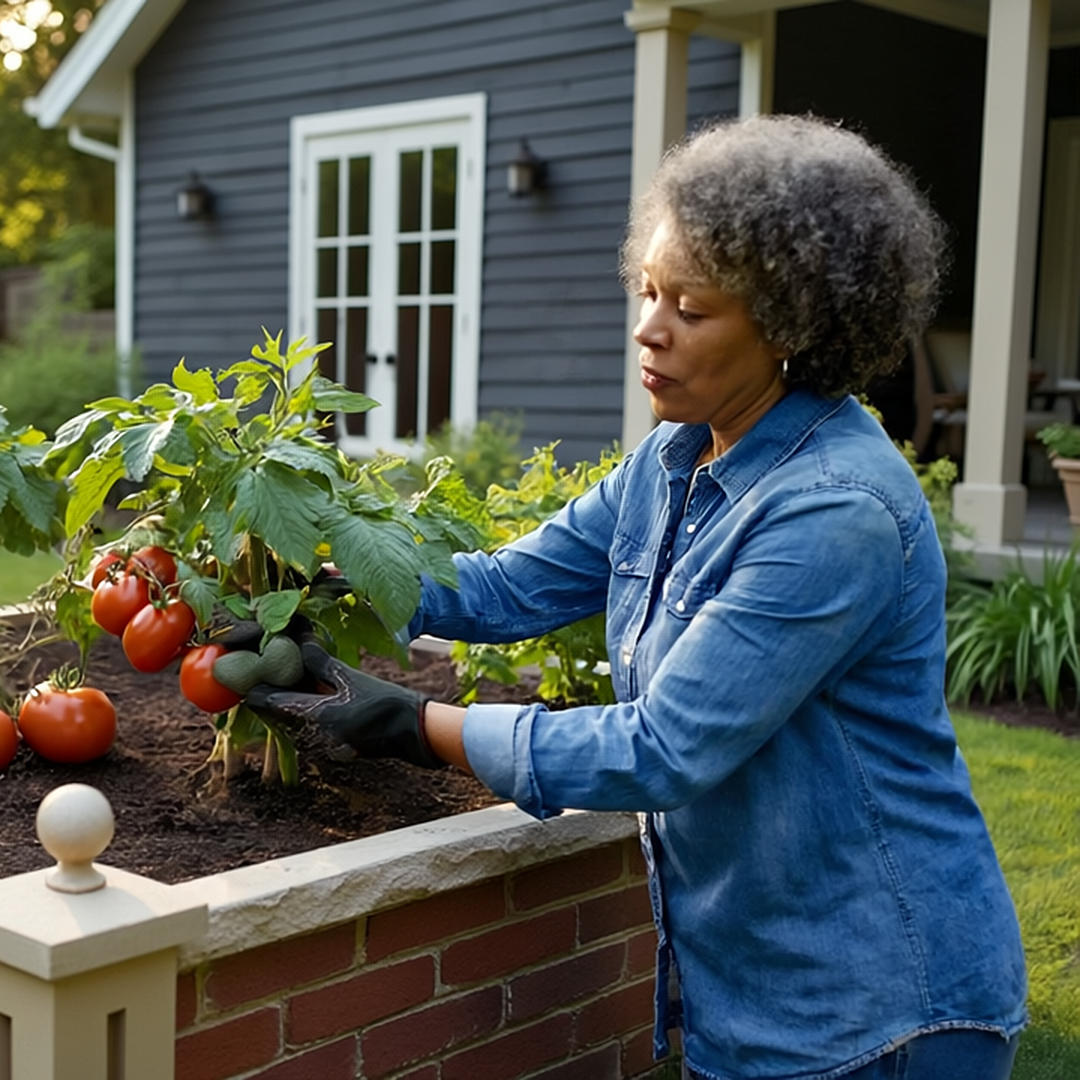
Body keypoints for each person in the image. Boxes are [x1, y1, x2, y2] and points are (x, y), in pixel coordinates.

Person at [237, 115, 1028, 1080]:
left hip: (880, 1006)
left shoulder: (835, 512)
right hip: (760, 989)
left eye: (691, 308)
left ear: (792, 324)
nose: (648, 327)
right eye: (648, 290)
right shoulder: (677, 454)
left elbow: (664, 748)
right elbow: (510, 584)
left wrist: (416, 725)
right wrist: (329, 589)